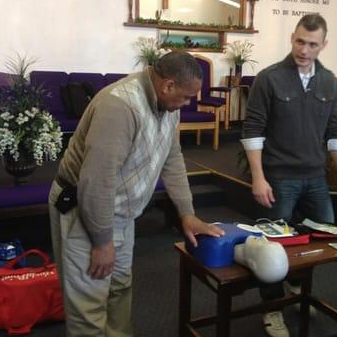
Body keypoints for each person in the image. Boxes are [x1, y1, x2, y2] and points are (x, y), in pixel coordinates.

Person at [48, 51, 224, 337]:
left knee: (119, 289)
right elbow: (97, 182)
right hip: (86, 209)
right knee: (89, 307)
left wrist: (187, 213)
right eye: (186, 96)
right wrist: (102, 242)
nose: (188, 103)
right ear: (168, 85)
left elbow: (172, 158)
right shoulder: (119, 106)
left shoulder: (168, 104)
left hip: (121, 212)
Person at [241, 14, 337, 337]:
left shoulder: (329, 81)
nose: (304, 50)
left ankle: (297, 290)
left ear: (324, 45)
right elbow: (253, 131)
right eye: (300, 41)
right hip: (279, 177)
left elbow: (335, 131)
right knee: (272, 248)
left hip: (316, 178)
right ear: (293, 37)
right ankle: (271, 309)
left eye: (312, 44)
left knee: (321, 241)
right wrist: (258, 177)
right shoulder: (270, 78)